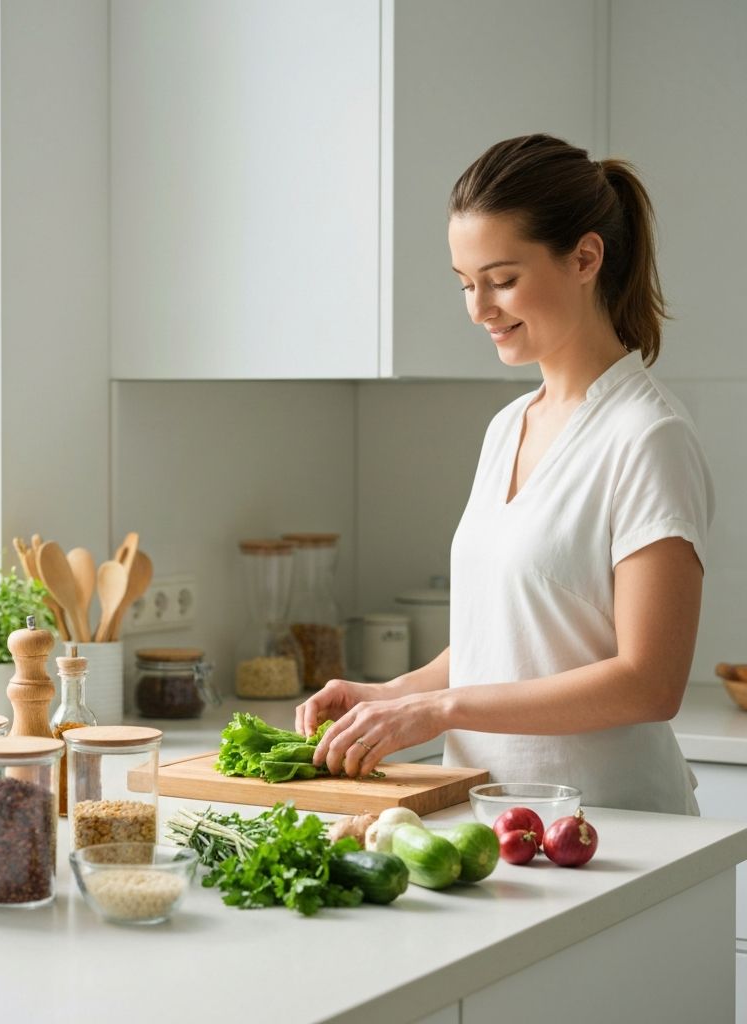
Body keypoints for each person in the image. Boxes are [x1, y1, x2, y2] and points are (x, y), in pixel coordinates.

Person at [296, 133, 713, 814]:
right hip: (495, 818)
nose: (478, 308)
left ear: (585, 258)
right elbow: (509, 640)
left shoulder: (647, 436)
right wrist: (391, 696)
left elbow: (650, 682)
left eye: (502, 279)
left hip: (612, 827)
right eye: (466, 284)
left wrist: (440, 710)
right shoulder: (508, 426)